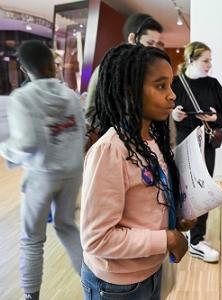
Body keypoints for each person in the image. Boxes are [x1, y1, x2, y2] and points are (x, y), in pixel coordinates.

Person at [80, 43, 195, 300]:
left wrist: (175, 220)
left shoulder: (152, 139)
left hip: (149, 271)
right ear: (130, 92)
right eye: (160, 86)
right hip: (116, 286)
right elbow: (97, 239)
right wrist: (167, 238)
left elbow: (147, 202)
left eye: (171, 85)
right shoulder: (110, 151)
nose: (172, 95)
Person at [0, 40, 85, 300]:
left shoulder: (22, 98)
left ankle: (31, 296)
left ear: (25, 69)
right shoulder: (70, 94)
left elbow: (25, 143)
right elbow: (81, 132)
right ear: (52, 64)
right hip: (72, 171)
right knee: (67, 227)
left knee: (32, 239)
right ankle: (95, 284)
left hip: (41, 175)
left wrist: (5, 150)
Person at [172, 41, 222, 263]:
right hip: (180, 143)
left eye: (210, 60)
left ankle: (196, 240)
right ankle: (178, 232)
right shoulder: (175, 84)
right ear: (191, 60)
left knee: (203, 190)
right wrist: (173, 116)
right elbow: (162, 113)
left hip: (205, 145)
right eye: (206, 60)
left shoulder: (213, 85)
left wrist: (214, 119)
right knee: (179, 189)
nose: (209, 64)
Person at [84, 13, 163, 124]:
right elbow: (90, 113)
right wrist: (121, 128)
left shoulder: (145, 69)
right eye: (150, 43)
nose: (153, 49)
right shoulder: (108, 69)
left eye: (155, 44)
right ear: (132, 38)